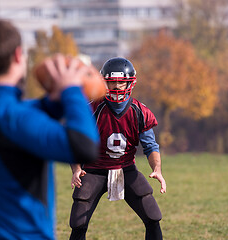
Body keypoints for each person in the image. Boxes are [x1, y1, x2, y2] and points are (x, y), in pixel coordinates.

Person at [0, 19, 99, 240]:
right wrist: (73, 91)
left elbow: (22, 115)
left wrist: (52, 102)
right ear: (18, 56)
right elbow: (84, 146)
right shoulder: (14, 118)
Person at [69, 57, 167, 240]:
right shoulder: (93, 110)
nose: (116, 86)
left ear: (130, 83)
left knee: (153, 217)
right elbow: (76, 144)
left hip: (126, 169)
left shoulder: (139, 111)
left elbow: (150, 146)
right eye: (111, 82)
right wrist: (76, 169)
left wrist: (157, 169)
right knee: (78, 223)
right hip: (94, 170)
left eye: (121, 82)